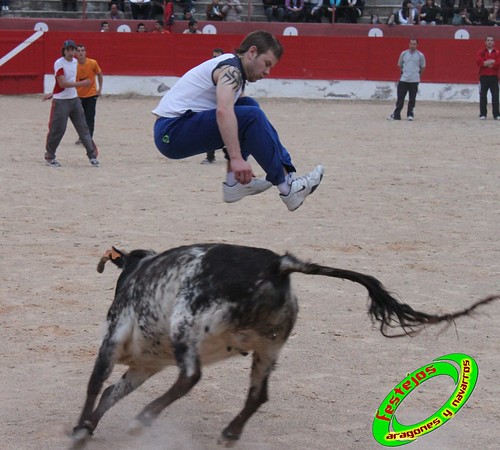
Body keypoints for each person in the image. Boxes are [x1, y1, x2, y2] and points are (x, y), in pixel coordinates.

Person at [152, 31, 324, 211]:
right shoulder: (231, 70)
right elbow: (223, 111)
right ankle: (287, 188)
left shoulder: (235, 70)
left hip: (176, 128)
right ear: (252, 52)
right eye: (266, 64)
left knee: (250, 106)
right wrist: (236, 158)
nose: (267, 72)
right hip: (171, 132)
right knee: (251, 116)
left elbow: (238, 114)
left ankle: (234, 184)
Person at [43, 40, 99, 168]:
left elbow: (66, 82)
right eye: (68, 49)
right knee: (58, 129)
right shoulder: (59, 63)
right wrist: (81, 84)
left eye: (72, 49)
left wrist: (53, 92)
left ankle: (92, 156)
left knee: (83, 128)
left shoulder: (75, 63)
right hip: (61, 101)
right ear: (64, 50)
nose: (70, 52)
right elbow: (62, 83)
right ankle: (49, 156)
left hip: (73, 99)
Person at [388, 38, 426, 121]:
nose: (413, 46)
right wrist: (404, 72)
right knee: (400, 98)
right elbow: (400, 65)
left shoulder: (420, 55)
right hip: (404, 79)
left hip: (414, 79)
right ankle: (396, 115)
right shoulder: (404, 54)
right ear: (409, 44)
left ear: (417, 45)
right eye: (411, 44)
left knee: (412, 99)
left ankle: (410, 114)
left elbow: (423, 67)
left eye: (414, 44)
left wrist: (417, 75)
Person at [75, 44, 103, 145]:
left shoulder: (92, 63)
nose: (81, 53)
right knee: (80, 117)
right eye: (78, 51)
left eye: (82, 50)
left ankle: (88, 138)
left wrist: (100, 88)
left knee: (90, 116)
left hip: (91, 94)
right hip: (78, 95)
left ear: (85, 52)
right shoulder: (73, 65)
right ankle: (81, 137)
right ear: (75, 53)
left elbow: (99, 74)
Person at [201, 48, 225, 165]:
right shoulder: (208, 71)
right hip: (211, 105)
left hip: (224, 105)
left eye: (218, 57)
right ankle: (210, 157)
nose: (216, 60)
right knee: (209, 130)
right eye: (214, 57)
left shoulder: (228, 71)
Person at [476, 36, 500, 120]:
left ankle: (496, 114)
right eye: (488, 40)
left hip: (494, 77)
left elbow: (498, 63)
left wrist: (487, 63)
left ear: (494, 42)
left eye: (491, 40)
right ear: (485, 42)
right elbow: (479, 62)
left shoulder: (497, 52)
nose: (489, 42)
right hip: (483, 77)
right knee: (483, 96)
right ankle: (483, 114)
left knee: (495, 96)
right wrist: (491, 62)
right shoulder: (481, 52)